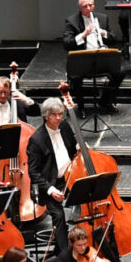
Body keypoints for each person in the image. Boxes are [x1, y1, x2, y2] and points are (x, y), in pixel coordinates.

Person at [25, 96, 83, 251]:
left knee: (87, 201)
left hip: (70, 176)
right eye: (54, 115)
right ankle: (64, 254)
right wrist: (51, 190)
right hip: (49, 184)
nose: (59, 118)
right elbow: (33, 172)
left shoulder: (64, 126)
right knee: (59, 216)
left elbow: (72, 148)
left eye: (60, 114)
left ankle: (86, 244)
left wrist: (78, 147)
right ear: (45, 116)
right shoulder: (36, 140)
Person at [61, 0, 122, 112]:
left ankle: (105, 101)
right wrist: (83, 34)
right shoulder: (71, 21)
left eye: (91, 5)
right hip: (83, 61)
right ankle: (81, 107)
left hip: (102, 59)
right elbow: (67, 44)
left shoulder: (103, 18)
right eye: (85, 6)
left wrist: (103, 32)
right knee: (76, 76)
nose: (89, 8)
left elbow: (114, 39)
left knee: (120, 72)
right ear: (79, 7)